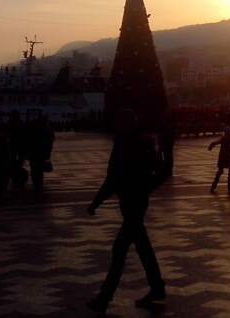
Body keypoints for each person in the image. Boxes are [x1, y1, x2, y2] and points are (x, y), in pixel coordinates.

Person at [86, 109, 167, 312]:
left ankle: (104, 299)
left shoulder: (123, 144)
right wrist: (147, 188)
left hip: (131, 203)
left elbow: (112, 179)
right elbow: (161, 171)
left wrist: (96, 202)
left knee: (120, 251)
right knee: (142, 247)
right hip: (138, 201)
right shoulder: (144, 141)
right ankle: (157, 288)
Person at [208, 125, 230, 194]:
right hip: (229, 157)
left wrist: (211, 146)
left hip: (222, 157)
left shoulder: (223, 138)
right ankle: (229, 187)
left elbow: (215, 142)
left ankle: (214, 185)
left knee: (220, 172)